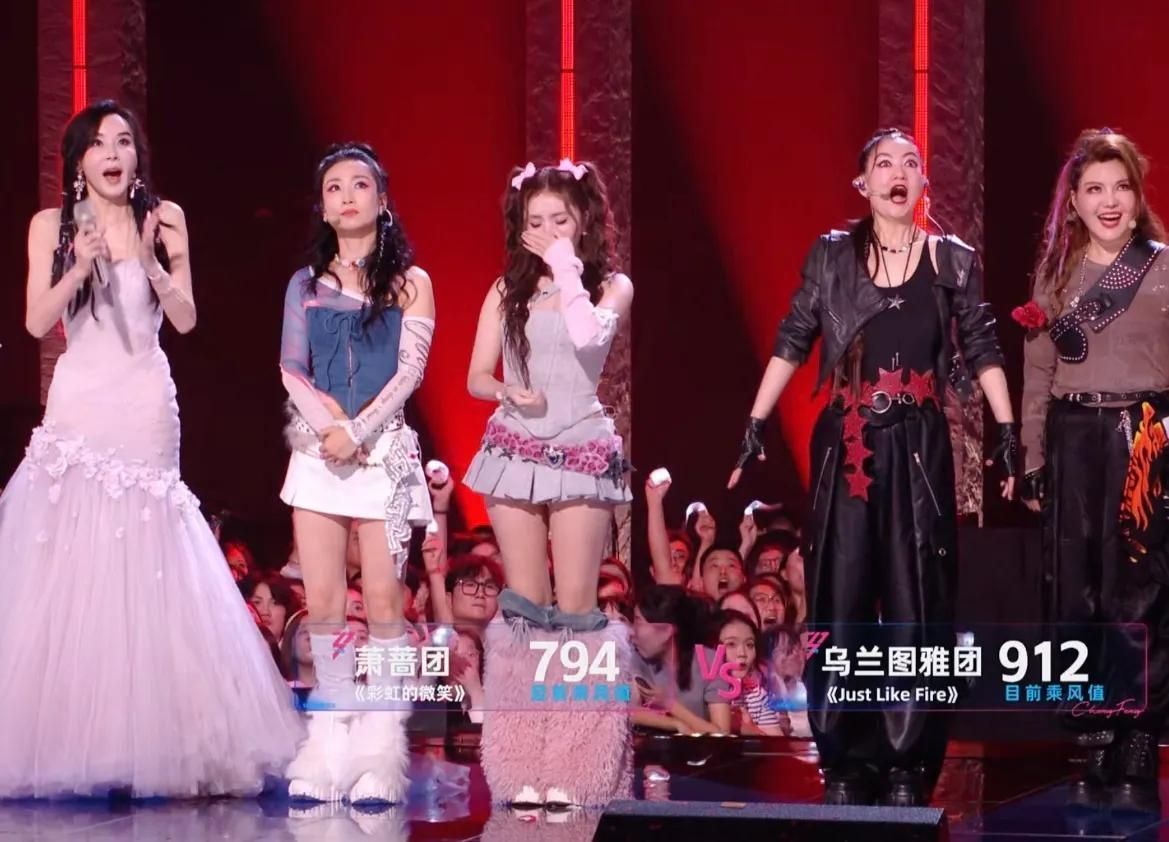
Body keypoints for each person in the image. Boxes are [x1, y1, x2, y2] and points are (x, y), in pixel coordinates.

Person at [0, 100, 302, 798]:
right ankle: (73, 734)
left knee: (149, 548)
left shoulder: (165, 219)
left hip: (144, 398)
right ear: (78, 161)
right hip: (82, 397)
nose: (112, 153)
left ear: (137, 156)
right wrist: (78, 267)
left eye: (124, 141)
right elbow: (36, 321)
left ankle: (160, 737)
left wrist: (152, 265)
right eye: (98, 144)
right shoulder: (51, 225)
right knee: (70, 555)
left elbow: (187, 319)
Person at [730, 128, 1016, 806]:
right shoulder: (833, 256)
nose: (898, 173)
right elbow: (794, 335)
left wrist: (1007, 430)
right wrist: (755, 422)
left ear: (922, 184)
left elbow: (980, 343)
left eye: (910, 163)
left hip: (917, 444)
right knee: (841, 596)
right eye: (884, 164)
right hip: (847, 440)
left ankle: (908, 759)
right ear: (863, 183)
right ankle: (844, 755)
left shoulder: (950, 260)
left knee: (917, 600)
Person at [464, 159, 634, 806]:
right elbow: (476, 375)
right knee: (524, 612)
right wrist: (505, 390)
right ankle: (518, 765)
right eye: (533, 221)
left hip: (580, 445)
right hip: (515, 446)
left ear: (584, 219)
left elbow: (588, 341)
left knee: (576, 613)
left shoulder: (611, 286)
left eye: (559, 220)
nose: (545, 231)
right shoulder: (505, 291)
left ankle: (579, 764)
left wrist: (565, 265)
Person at [278, 142, 434, 804]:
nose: (346, 195)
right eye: (334, 186)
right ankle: (328, 746)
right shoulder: (304, 284)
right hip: (318, 454)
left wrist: (359, 431)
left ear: (382, 199)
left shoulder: (412, 282)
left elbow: (410, 372)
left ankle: (380, 751)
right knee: (322, 603)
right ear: (322, 206)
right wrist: (328, 429)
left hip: (382, 456)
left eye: (359, 184)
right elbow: (291, 369)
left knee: (383, 603)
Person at [1020, 128, 1169, 813]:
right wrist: (1031, 457)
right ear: (1074, 202)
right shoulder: (1056, 276)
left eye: (1120, 187)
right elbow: (1037, 373)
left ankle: (1137, 736)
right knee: (1076, 592)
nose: (1109, 201)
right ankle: (1093, 738)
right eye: (1094, 189)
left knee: (1138, 591)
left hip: (1144, 436)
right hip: (1074, 435)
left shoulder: (1161, 269)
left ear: (1138, 197)